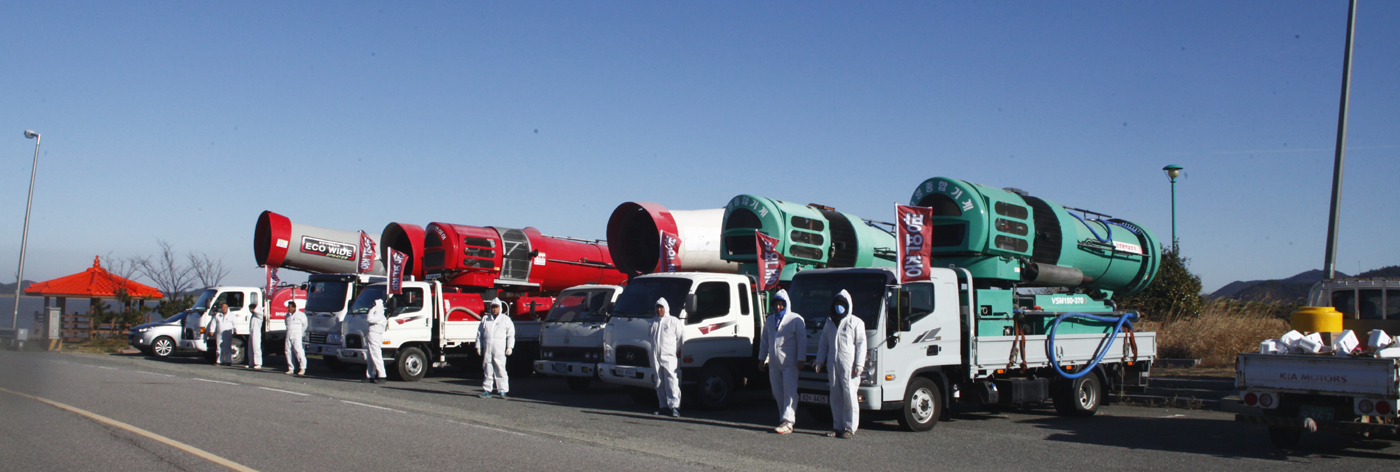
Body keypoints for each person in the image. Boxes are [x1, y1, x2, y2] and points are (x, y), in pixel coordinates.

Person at [814, 290, 867, 439]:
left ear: (848, 305)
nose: (839, 307)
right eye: (837, 303)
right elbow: (823, 342)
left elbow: (861, 345)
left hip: (849, 365)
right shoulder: (830, 322)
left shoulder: (855, 322)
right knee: (835, 396)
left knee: (849, 394)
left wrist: (859, 364)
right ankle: (838, 426)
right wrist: (820, 360)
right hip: (833, 363)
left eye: (842, 304)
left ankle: (850, 427)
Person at [758, 289, 806, 434]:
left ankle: (789, 421)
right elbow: (765, 340)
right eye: (776, 304)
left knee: (789, 391)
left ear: (786, 305)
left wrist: (801, 358)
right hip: (774, 362)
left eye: (781, 304)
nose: (778, 307)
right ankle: (782, 418)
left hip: (790, 363)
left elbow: (802, 341)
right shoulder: (771, 320)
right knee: (777, 391)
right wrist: (761, 358)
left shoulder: (795, 319)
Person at [649, 298, 684, 418]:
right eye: (657, 307)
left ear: (666, 308)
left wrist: (674, 351)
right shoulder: (653, 322)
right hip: (656, 356)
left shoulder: (673, 321)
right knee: (659, 381)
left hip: (669, 356)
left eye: (661, 307)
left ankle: (674, 406)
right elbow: (651, 339)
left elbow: (680, 339)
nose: (659, 310)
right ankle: (663, 406)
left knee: (671, 380)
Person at [477, 299, 515, 398]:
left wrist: (510, 346)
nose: (494, 309)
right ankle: (487, 389)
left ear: (500, 308)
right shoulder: (486, 319)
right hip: (488, 348)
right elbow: (479, 334)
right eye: (493, 307)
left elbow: (511, 334)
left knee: (500, 369)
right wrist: (478, 346)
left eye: (496, 307)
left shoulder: (505, 319)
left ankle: (502, 390)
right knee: (487, 368)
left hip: (499, 348)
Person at [365, 299, 388, 384]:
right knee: (371, 357)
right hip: (372, 335)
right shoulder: (379, 315)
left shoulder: (379, 316)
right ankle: (370, 375)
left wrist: (372, 309)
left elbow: (369, 319)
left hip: (375, 335)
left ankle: (382, 375)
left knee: (376, 356)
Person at [284, 300, 308, 376]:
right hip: (289, 334)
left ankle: (302, 367)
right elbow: (286, 324)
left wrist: (300, 333)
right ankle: (291, 368)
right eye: (288, 307)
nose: (288, 309)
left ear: (294, 308)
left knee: (298, 351)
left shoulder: (300, 315)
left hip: (297, 335)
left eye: (290, 308)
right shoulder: (287, 315)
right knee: (288, 351)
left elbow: (305, 325)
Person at [246, 302, 263, 369]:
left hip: (257, 333)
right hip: (252, 332)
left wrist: (255, 309)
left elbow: (259, 313)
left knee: (256, 347)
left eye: (251, 309)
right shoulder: (253, 316)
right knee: (250, 348)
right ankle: (251, 363)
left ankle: (258, 363)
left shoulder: (259, 315)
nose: (250, 310)